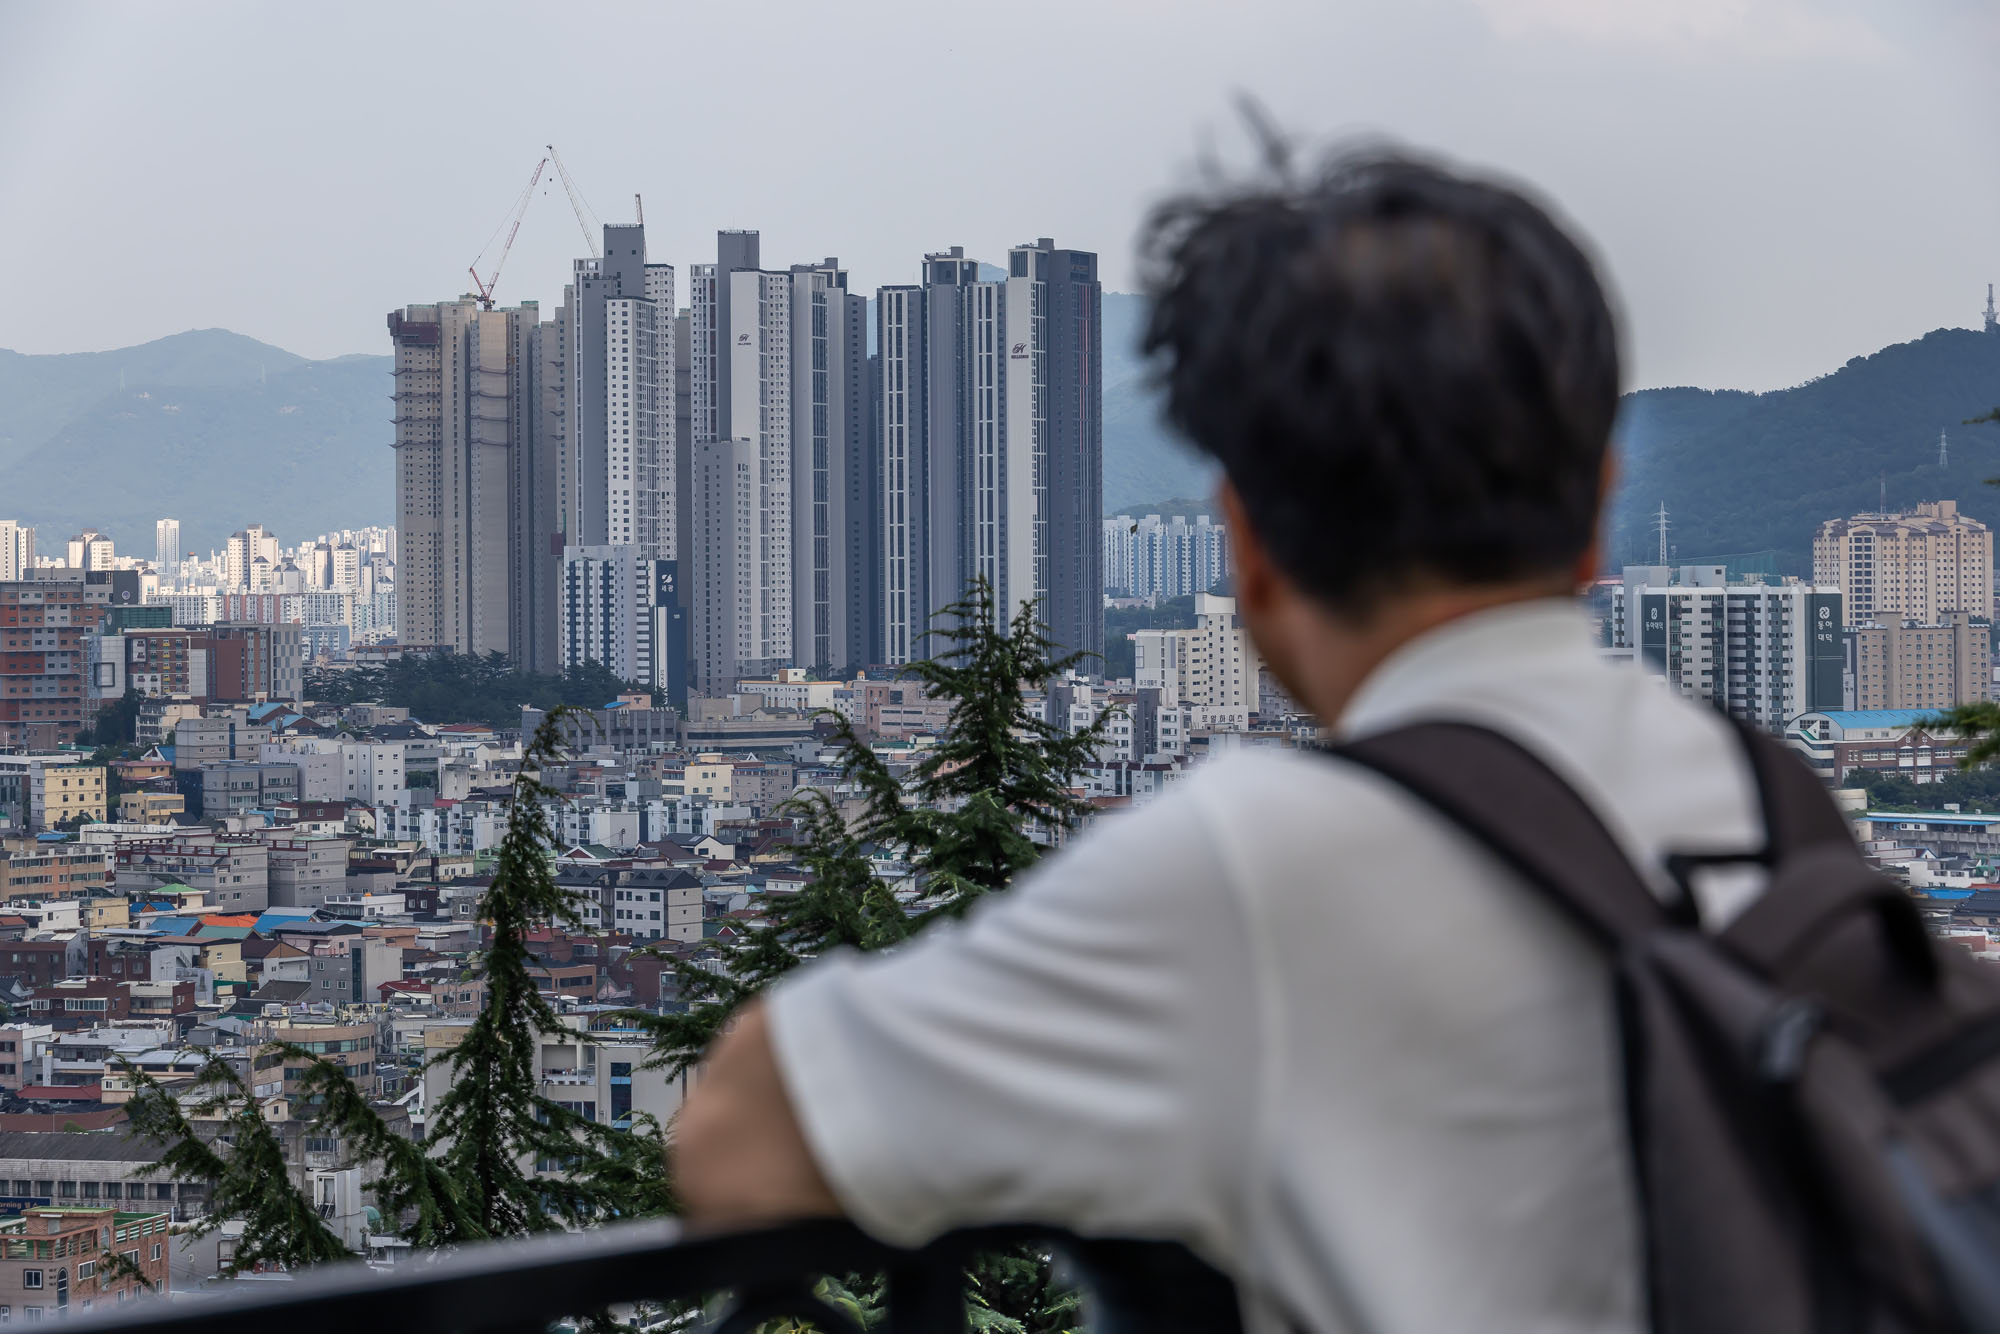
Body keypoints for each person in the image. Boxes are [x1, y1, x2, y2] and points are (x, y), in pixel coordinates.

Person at [673, 149, 1767, 1334]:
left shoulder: (1258, 866)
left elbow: (737, 1144)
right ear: (1599, 506)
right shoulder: (1762, 795)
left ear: (1241, 540)